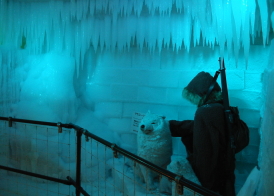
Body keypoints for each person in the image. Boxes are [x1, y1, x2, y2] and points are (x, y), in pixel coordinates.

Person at [169, 71, 235, 196]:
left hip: (209, 179)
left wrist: (202, 183)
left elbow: (204, 152)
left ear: (200, 94)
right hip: (222, 173)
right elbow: (197, 128)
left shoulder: (205, 112)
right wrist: (169, 126)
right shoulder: (219, 107)